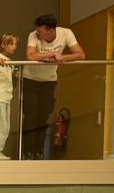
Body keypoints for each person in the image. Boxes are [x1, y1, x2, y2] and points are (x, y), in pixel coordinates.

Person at [22, 14, 85, 156]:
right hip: (30, 78)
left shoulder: (66, 33)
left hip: (49, 80)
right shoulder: (33, 35)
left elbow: (80, 54)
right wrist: (52, 54)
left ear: (50, 31)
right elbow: (31, 55)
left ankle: (38, 151)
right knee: (30, 116)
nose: (37, 33)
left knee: (43, 115)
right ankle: (27, 151)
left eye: (40, 31)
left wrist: (62, 57)